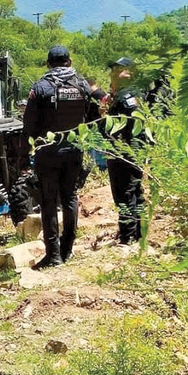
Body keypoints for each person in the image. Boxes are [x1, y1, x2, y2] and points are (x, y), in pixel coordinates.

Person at [22, 45, 105, 269]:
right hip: (74, 151)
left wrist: (25, 155)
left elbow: (28, 125)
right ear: (68, 62)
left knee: (49, 202)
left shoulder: (40, 87)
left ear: (49, 64)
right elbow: (93, 118)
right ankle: (67, 249)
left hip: (47, 152)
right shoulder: (82, 85)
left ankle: (53, 255)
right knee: (69, 198)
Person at [102, 57, 147, 244]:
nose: (114, 73)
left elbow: (133, 126)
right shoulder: (123, 95)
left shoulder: (128, 97)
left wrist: (126, 149)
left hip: (124, 153)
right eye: (113, 70)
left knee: (126, 194)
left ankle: (129, 238)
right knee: (131, 193)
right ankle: (135, 234)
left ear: (131, 73)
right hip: (122, 152)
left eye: (119, 69)